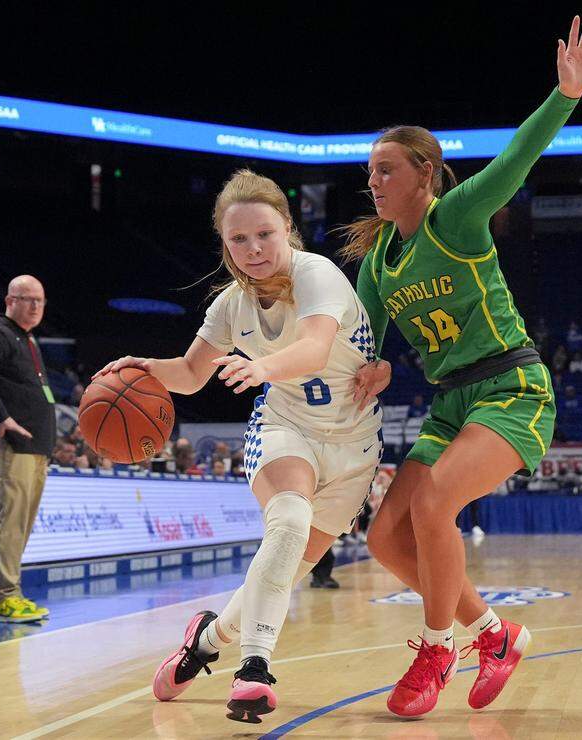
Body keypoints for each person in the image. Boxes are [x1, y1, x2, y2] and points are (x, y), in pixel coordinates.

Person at [339, 15, 582, 717]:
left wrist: (565, 96)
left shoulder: (453, 218)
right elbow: (361, 340)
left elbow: (515, 160)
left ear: (423, 175)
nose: (372, 180)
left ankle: (437, 651)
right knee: (382, 537)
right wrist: (372, 371)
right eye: (369, 170)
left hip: (512, 387)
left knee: (433, 504)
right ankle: (495, 635)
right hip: (451, 402)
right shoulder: (378, 261)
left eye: (385, 169)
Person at [99, 170, 384, 723]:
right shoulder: (230, 304)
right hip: (286, 427)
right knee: (288, 523)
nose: (253, 249)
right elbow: (188, 373)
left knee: (283, 572)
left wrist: (262, 367)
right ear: (224, 244)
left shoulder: (317, 273)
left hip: (354, 445)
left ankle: (207, 639)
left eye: (264, 235)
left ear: (287, 231)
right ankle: (254, 670)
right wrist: (142, 368)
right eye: (238, 239)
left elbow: (315, 346)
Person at [0, 274, 56, 623]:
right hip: (10, 446)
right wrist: (1, 417)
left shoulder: (26, 339)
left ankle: (12, 594)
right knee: (10, 524)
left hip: (33, 449)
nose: (34, 306)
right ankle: (3, 598)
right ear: (9, 301)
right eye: (27, 299)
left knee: (21, 525)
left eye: (40, 301)